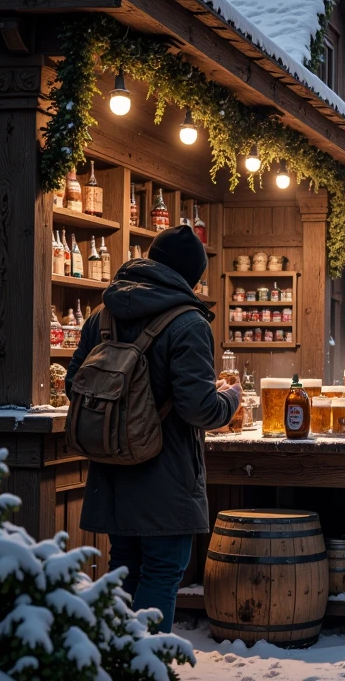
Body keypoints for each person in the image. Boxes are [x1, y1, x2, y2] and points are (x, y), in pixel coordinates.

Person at [66, 225, 241, 632]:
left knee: (124, 566)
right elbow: (201, 410)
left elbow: (76, 382)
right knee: (163, 570)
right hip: (166, 473)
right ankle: (145, 675)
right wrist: (229, 397)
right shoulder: (188, 322)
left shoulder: (102, 315)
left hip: (111, 466)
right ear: (192, 275)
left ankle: (117, 667)